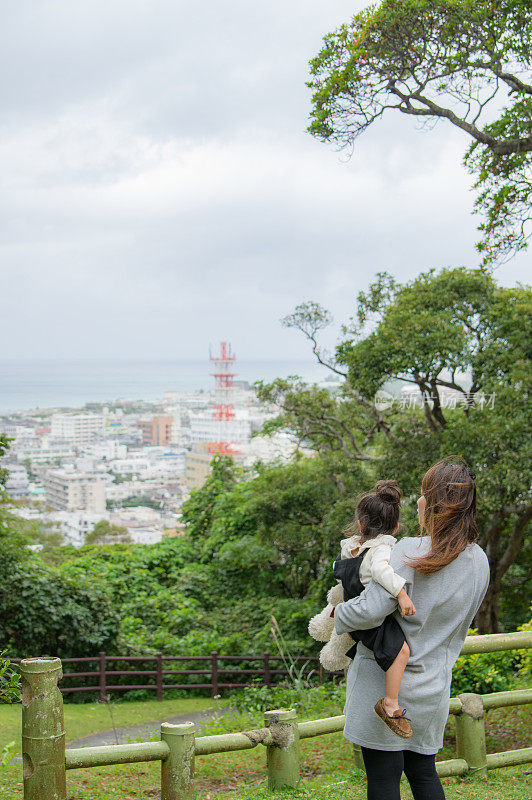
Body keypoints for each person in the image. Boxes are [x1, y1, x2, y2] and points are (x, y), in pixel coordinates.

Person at [334, 458, 489, 800]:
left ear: (434, 503)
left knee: (384, 781)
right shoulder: (478, 560)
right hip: (433, 686)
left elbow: (369, 612)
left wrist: (337, 614)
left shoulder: (407, 551)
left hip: (385, 688)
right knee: (423, 774)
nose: (417, 502)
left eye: (422, 494)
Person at [330, 480, 417, 738]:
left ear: (360, 524)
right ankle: (390, 704)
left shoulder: (350, 546)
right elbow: (380, 571)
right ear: (396, 527)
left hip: (352, 608)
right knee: (401, 652)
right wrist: (402, 594)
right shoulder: (382, 547)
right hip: (370, 617)